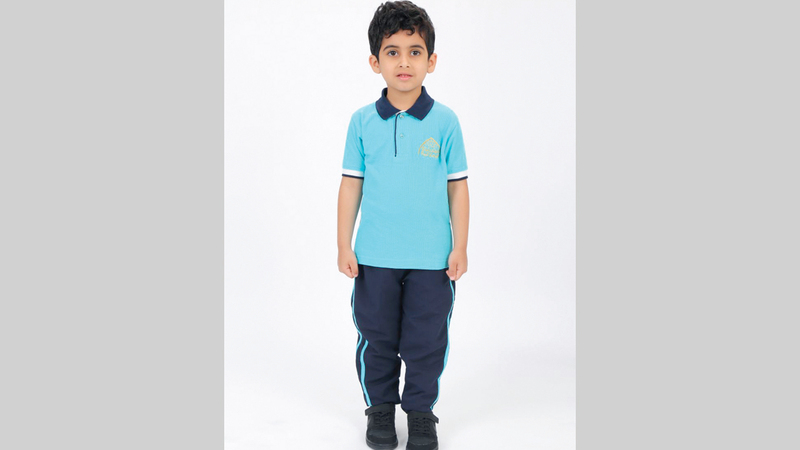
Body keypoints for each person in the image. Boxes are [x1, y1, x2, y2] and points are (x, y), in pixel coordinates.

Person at [337, 2, 470, 449]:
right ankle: (379, 409)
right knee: (376, 338)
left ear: (431, 61)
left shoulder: (446, 121)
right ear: (375, 62)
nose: (404, 62)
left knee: (427, 340)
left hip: (433, 259)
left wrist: (460, 246)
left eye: (415, 52)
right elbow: (351, 186)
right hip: (374, 256)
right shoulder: (361, 122)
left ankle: (420, 414)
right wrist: (344, 245)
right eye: (392, 52)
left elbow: (458, 188)